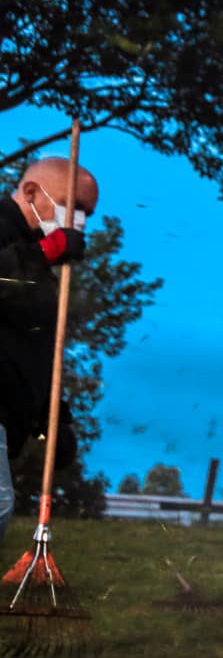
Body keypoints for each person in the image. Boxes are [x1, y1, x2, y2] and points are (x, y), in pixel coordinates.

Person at [0, 157, 95, 549]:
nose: (80, 221)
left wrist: (52, 419)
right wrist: (49, 250)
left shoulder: (34, 262)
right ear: (31, 192)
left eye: (87, 213)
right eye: (72, 207)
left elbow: (32, 352)